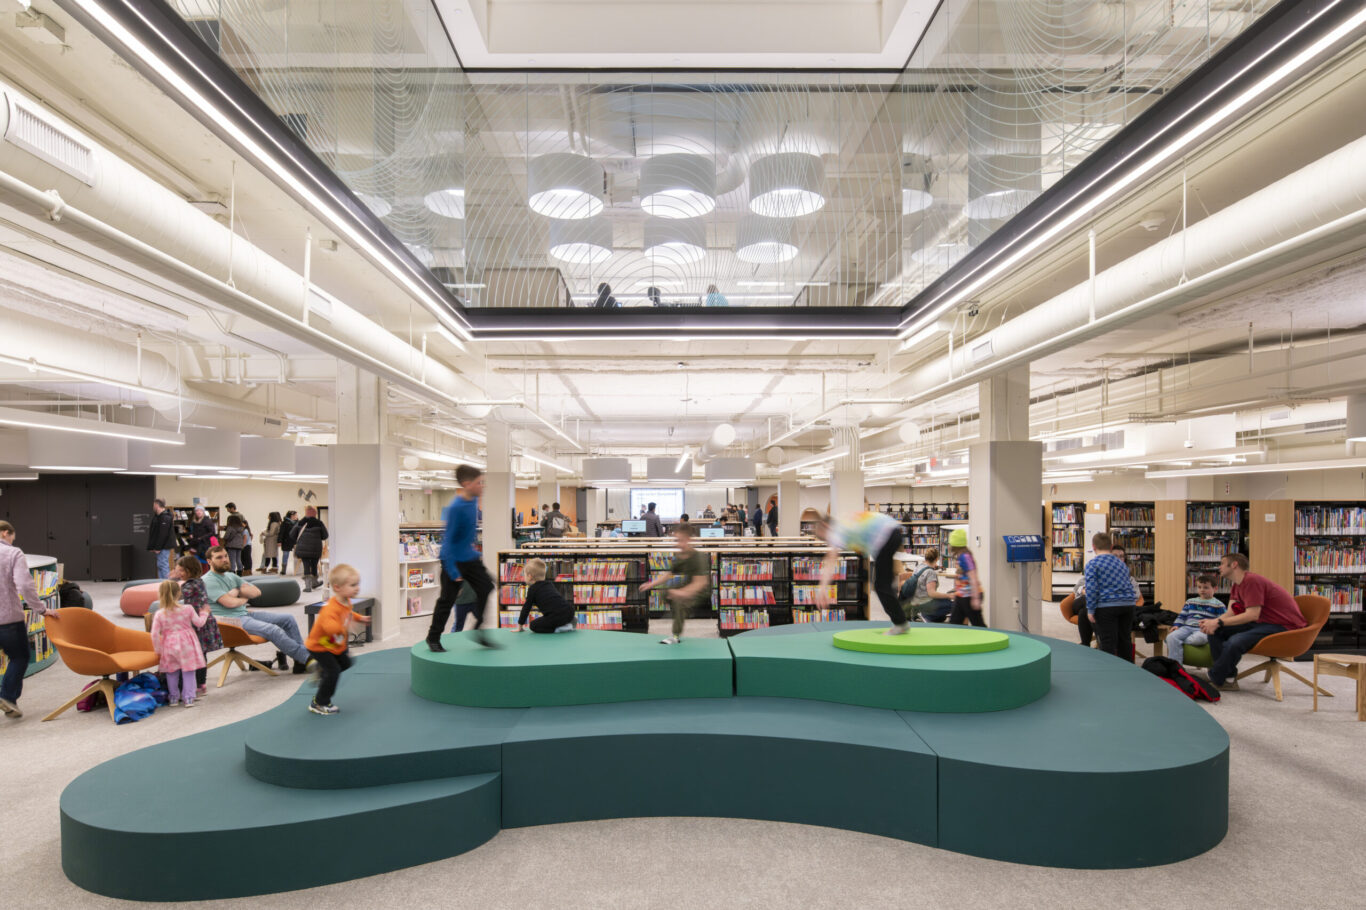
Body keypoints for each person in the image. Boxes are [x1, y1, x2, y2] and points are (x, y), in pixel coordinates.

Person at [1199, 552, 1307, 691]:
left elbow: (1252, 615)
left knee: (1235, 641)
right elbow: (1231, 611)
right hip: (1264, 622)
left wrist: (1218, 622)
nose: (1219, 567)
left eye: (1222, 564)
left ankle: (1214, 675)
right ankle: (1228, 679)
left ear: (1234, 565)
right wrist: (1213, 622)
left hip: (1285, 626)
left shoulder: (1252, 581)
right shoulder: (1237, 585)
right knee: (1215, 631)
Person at [202, 546, 312, 673]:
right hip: (229, 621)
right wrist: (243, 597)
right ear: (209, 561)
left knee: (288, 619)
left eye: (226, 556)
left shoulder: (230, 576)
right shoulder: (208, 580)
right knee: (272, 630)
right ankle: (307, 658)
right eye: (219, 557)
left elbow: (256, 592)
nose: (225, 559)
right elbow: (229, 603)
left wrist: (237, 591)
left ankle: (300, 661)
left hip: (244, 614)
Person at [427, 464, 498, 651]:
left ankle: (478, 629)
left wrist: (476, 555)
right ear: (467, 484)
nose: (483, 486)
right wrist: (452, 570)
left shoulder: (474, 501)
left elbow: (465, 535)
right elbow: (448, 541)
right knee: (446, 601)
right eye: (479, 483)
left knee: (487, 587)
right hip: (453, 560)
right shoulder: (455, 508)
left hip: (469, 557)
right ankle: (433, 638)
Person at [813, 512, 906, 633]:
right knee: (883, 585)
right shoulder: (843, 526)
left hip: (887, 536)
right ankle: (901, 621)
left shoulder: (835, 532)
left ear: (825, 526)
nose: (825, 539)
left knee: (881, 586)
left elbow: (830, 560)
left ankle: (901, 624)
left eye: (821, 535)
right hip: (892, 532)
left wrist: (822, 588)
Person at [0, 521, 55, 719]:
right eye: (12, 537)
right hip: (7, 620)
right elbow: (24, 584)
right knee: (20, 656)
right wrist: (41, 609)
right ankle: (7, 697)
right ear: (6, 533)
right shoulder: (12, 553)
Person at [304, 563, 371, 716]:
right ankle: (319, 703)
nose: (357, 588)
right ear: (338, 587)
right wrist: (345, 627)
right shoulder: (330, 609)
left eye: (357, 584)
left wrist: (360, 619)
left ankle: (320, 669)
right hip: (319, 647)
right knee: (333, 672)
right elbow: (330, 629)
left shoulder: (346, 601)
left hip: (335, 645)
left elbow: (348, 614)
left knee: (346, 662)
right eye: (353, 585)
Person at [640, 524, 709, 645]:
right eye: (676, 540)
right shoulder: (680, 555)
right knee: (665, 593)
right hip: (687, 584)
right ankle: (683, 610)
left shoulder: (698, 557)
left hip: (702, 591)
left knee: (679, 601)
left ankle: (675, 635)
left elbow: (700, 583)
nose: (677, 543)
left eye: (680, 540)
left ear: (688, 540)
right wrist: (650, 584)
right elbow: (668, 574)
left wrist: (680, 593)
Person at [150, 580, 209, 708]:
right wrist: (204, 614)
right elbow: (199, 623)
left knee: (171, 672)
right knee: (188, 671)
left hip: (169, 644)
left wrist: (158, 649)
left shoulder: (160, 614)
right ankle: (188, 698)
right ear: (178, 594)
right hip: (187, 643)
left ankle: (173, 698)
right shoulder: (188, 609)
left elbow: (154, 634)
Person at [166, 555, 220, 695]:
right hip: (201, 620)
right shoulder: (198, 581)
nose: (179, 574)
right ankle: (199, 684)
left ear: (190, 570)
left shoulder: (191, 585)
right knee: (200, 653)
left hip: (199, 623)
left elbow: (172, 594)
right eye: (177, 571)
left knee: (198, 654)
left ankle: (199, 684)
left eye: (181, 571)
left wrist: (172, 579)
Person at [1084, 532, 1138, 661]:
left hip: (1107, 606)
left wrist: (1090, 610)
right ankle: (1129, 670)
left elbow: (1092, 589)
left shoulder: (1092, 564)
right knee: (1125, 640)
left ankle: (1108, 673)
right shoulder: (1122, 564)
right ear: (1111, 546)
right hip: (1128, 605)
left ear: (1093, 546)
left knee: (1108, 642)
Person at [1165, 575, 1227, 666]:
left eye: (1206, 587)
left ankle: (1178, 641)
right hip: (1186, 627)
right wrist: (1177, 625)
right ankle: (1176, 667)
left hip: (1203, 630)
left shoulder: (1219, 604)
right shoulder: (1190, 601)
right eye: (1199, 587)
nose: (1202, 590)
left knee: (1198, 639)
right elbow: (1182, 615)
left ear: (1215, 588)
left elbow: (1221, 620)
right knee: (1171, 637)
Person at [516, 558, 577, 633]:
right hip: (569, 611)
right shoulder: (549, 584)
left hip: (557, 616)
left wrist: (520, 625)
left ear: (529, 576)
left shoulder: (532, 590)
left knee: (533, 625)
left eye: (524, 575)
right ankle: (569, 620)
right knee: (551, 616)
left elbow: (526, 608)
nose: (524, 577)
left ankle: (560, 628)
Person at [900, 548, 953, 622]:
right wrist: (949, 596)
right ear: (937, 559)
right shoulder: (930, 573)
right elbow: (932, 594)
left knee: (942, 614)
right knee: (951, 604)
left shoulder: (918, 567)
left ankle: (925, 614)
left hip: (914, 600)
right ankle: (926, 615)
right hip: (925, 602)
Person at [947, 529, 986, 627]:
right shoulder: (961, 556)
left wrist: (975, 598)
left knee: (978, 624)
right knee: (954, 624)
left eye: (950, 543)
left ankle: (990, 639)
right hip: (962, 595)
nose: (948, 545)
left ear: (955, 545)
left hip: (969, 596)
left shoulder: (965, 556)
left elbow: (973, 577)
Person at [291, 506, 329, 592]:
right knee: (314, 564)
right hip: (316, 548)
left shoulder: (300, 522)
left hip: (303, 548)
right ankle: (314, 582)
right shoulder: (319, 523)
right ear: (315, 513)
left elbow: (292, 534)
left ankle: (308, 586)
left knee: (306, 565)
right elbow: (325, 536)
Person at [147, 498, 176, 579]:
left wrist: (158, 547)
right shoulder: (158, 517)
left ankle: (167, 585)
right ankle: (161, 583)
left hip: (163, 546)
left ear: (157, 505)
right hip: (160, 546)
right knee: (160, 565)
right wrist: (152, 546)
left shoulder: (165, 517)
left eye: (154, 505)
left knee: (163, 565)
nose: (153, 507)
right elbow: (154, 533)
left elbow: (162, 534)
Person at [226, 503, 254, 576]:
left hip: (232, 545)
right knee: (239, 559)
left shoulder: (230, 524)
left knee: (232, 559)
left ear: (232, 508)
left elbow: (226, 536)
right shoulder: (242, 528)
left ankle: (232, 572)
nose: (227, 510)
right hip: (239, 544)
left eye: (228, 508)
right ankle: (240, 572)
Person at [278, 510, 298, 575]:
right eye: (295, 515)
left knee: (298, 555)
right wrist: (279, 541)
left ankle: (298, 569)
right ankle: (283, 570)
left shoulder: (298, 522)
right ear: (292, 516)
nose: (297, 516)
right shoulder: (285, 523)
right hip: (286, 541)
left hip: (295, 541)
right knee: (285, 555)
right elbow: (281, 533)